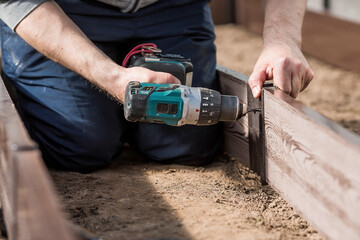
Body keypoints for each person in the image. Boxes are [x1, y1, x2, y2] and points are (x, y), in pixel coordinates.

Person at [0, 0, 313, 172]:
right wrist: (113, 79)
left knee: (184, 145)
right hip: (64, 9)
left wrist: (282, 40)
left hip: (171, 8)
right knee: (82, 145)